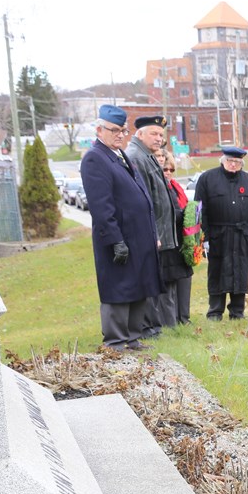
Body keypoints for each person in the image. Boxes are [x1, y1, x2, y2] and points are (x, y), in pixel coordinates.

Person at [80, 104, 162, 351]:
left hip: (139, 237)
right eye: (114, 130)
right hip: (120, 238)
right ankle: (115, 341)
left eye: (123, 130)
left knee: (139, 286)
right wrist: (115, 240)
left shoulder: (119, 154)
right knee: (118, 289)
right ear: (99, 129)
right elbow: (101, 206)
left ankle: (133, 337)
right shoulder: (95, 158)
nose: (120, 135)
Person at [126, 115, 179, 334]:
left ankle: (153, 326)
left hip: (158, 233)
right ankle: (147, 327)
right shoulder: (136, 156)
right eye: (154, 134)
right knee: (148, 282)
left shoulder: (146, 155)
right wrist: (153, 233)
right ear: (140, 134)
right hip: (150, 234)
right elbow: (142, 202)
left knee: (157, 282)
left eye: (161, 135)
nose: (159, 139)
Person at [195, 147, 248, 320]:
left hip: (242, 235)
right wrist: (204, 237)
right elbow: (201, 211)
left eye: (237, 162)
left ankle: (237, 312)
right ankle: (215, 311)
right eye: (230, 161)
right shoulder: (207, 179)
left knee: (240, 273)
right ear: (223, 161)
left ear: (242, 164)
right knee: (217, 272)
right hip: (218, 235)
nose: (233, 165)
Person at [159, 148, 194, 324]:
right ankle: (172, 322)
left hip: (181, 240)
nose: (169, 173)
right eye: (165, 169)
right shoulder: (162, 188)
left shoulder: (175, 186)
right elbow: (171, 213)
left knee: (184, 281)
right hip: (169, 242)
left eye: (171, 169)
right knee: (170, 284)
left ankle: (183, 318)